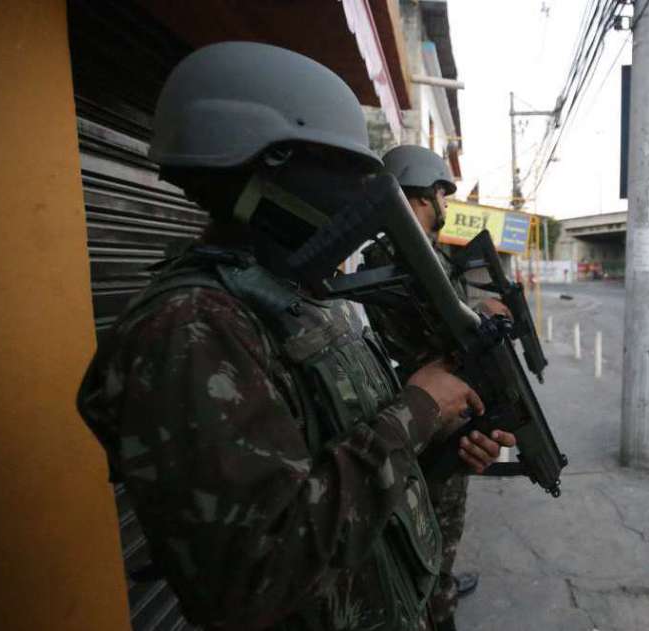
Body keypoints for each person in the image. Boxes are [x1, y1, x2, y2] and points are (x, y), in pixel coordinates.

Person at [77, 42, 511, 630]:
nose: (356, 194)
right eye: (340, 170)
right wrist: (417, 408)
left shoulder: (300, 296)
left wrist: (440, 443)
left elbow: (343, 468)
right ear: (268, 164)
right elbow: (255, 574)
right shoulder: (190, 327)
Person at [367, 144, 510, 631]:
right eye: (441, 195)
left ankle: (440, 579)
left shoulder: (399, 256)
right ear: (427, 195)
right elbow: (437, 334)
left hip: (420, 415)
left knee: (435, 519)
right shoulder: (403, 259)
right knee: (434, 519)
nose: (445, 207)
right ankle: (438, 599)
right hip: (421, 418)